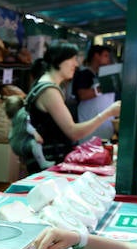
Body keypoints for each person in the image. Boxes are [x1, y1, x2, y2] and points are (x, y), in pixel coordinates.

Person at [24, 41, 121, 172]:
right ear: (60, 60)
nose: (76, 64)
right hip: (47, 166)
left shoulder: (48, 85)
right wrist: (108, 113)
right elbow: (73, 132)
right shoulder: (49, 91)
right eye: (73, 59)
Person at [72, 44, 116, 141]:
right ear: (96, 56)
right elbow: (82, 95)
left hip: (105, 129)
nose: (108, 59)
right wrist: (102, 88)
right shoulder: (84, 74)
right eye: (105, 56)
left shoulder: (104, 75)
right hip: (88, 129)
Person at [5, 95, 53, 170]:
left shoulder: (15, 118)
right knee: (35, 143)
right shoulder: (22, 113)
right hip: (20, 142)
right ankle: (43, 162)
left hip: (15, 142)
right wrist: (36, 134)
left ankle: (26, 160)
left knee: (27, 149)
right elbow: (27, 126)